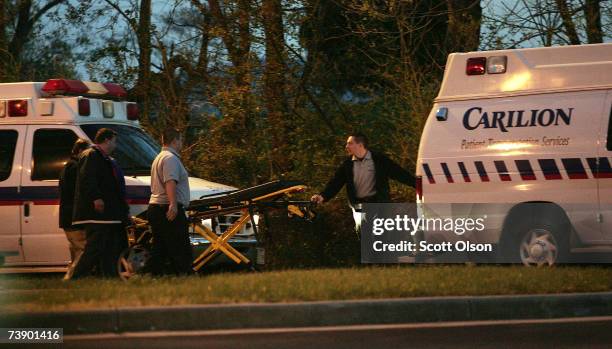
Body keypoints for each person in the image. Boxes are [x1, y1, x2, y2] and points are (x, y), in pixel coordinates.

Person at [71, 128, 129, 278]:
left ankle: (110, 276)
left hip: (108, 215)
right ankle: (77, 276)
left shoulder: (104, 159)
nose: (115, 145)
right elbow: (87, 179)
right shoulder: (91, 155)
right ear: (106, 140)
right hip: (97, 214)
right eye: (114, 141)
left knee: (109, 247)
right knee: (94, 247)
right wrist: (96, 198)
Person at [311, 133, 415, 206]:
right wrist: (322, 196)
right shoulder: (347, 165)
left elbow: (400, 174)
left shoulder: (379, 160)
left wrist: (418, 184)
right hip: (359, 207)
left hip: (380, 205)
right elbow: (335, 183)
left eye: (350, 143)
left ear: (360, 145)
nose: (346, 146)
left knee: (381, 235)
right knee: (365, 235)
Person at [148, 128, 193, 276]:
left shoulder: (159, 157)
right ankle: (183, 274)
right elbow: (170, 181)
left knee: (160, 246)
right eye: (180, 140)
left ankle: (155, 275)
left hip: (156, 207)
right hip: (167, 207)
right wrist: (173, 204)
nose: (181, 143)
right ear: (174, 141)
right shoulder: (170, 159)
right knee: (179, 244)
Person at [59, 138, 91, 280]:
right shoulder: (75, 168)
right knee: (83, 249)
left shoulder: (68, 166)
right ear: (79, 151)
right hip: (73, 217)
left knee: (76, 249)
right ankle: (72, 277)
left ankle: (70, 275)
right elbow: (77, 193)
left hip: (68, 217)